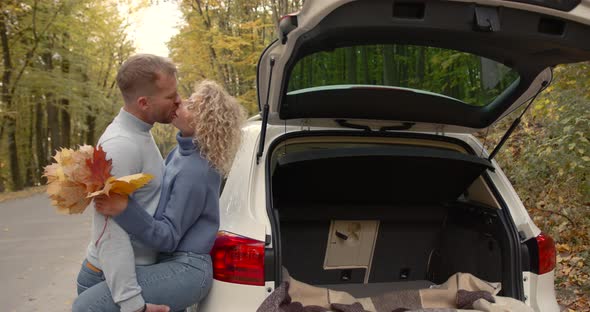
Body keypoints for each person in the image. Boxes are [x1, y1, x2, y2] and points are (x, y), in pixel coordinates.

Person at [73, 80, 246, 312]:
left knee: (88, 306)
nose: (180, 103)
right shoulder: (180, 153)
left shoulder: (196, 170)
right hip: (170, 261)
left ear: (207, 123)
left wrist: (124, 208)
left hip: (186, 267)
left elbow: (169, 236)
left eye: (192, 106)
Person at [73, 53, 180, 312]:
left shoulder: (140, 131)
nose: (178, 101)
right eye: (170, 96)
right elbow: (108, 230)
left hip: (133, 275)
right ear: (144, 102)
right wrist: (133, 304)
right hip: (111, 282)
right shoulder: (120, 145)